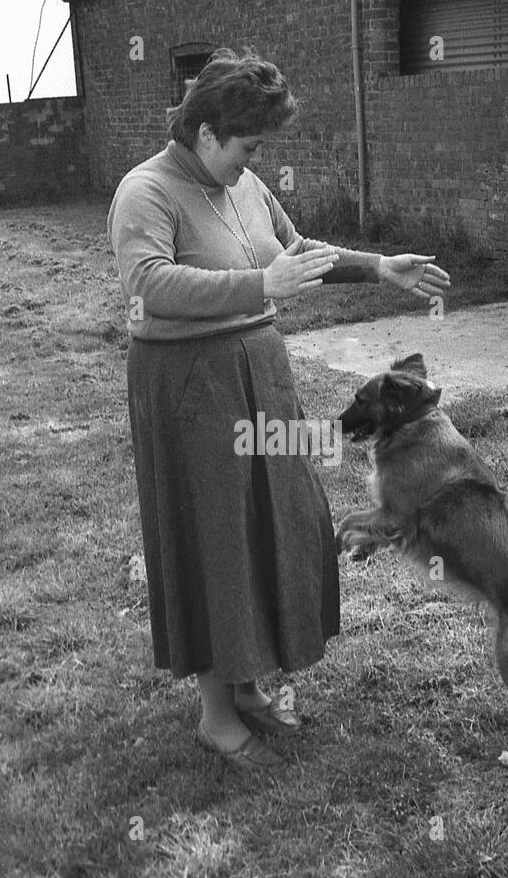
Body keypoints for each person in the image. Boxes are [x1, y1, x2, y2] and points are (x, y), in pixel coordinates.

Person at [108, 49, 450, 771]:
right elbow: (147, 285)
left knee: (276, 519)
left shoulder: (245, 185)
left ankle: (249, 681)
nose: (251, 160)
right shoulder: (145, 191)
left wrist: (376, 266)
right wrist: (258, 282)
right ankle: (213, 712)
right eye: (246, 146)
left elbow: (295, 251)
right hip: (188, 385)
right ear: (205, 133)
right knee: (213, 536)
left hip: (259, 374)